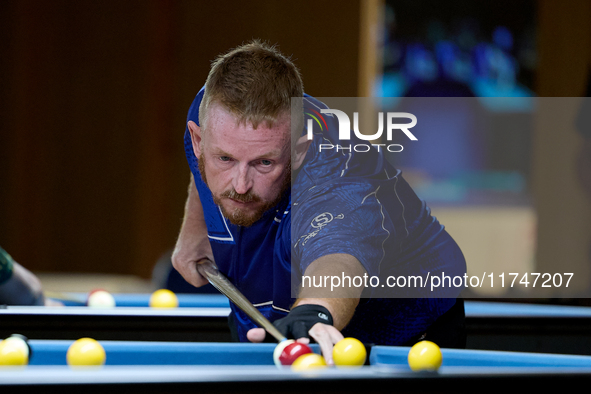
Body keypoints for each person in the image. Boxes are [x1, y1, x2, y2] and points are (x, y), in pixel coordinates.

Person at [172, 40, 467, 364]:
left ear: (298, 150)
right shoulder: (210, 111)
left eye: (264, 163)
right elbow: (200, 160)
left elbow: (339, 258)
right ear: (201, 140)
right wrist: (196, 227)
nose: (241, 185)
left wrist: (315, 312)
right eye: (225, 158)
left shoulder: (337, 172)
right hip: (272, 319)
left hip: (404, 325)